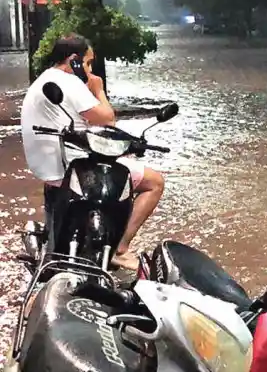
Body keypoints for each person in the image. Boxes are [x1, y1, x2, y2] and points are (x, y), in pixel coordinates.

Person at [20, 34, 165, 271]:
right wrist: (98, 90)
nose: (89, 70)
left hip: (48, 167)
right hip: (71, 166)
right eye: (87, 63)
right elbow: (107, 119)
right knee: (154, 182)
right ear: (74, 61)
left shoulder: (45, 79)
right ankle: (120, 249)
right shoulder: (69, 82)